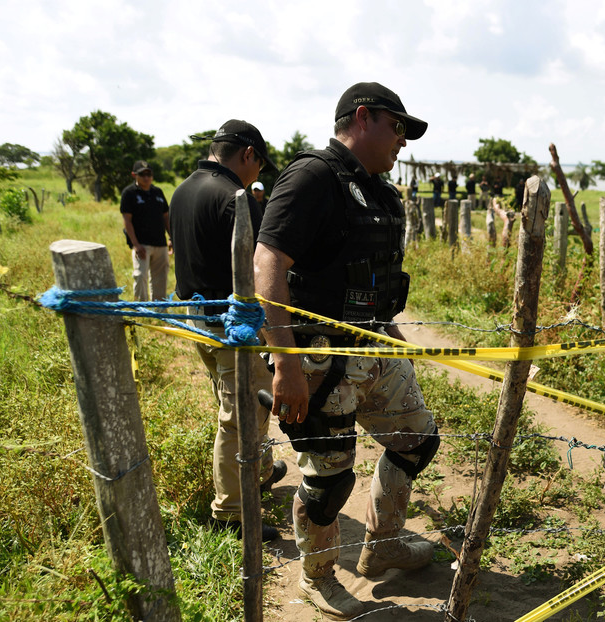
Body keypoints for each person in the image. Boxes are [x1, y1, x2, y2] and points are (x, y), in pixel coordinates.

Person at [254, 82, 436, 620]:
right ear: (362, 117)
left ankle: (382, 544)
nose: (403, 142)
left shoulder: (380, 191)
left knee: (416, 441)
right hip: (315, 359)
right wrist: (284, 362)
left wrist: (392, 337)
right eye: (397, 127)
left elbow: (375, 278)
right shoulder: (312, 176)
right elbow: (268, 264)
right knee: (329, 478)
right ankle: (317, 578)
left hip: (374, 349)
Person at [170, 120, 286, 542]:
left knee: (238, 404)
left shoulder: (183, 190)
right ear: (248, 154)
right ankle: (234, 513)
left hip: (197, 317)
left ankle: (261, 472)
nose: (258, 175)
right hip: (231, 327)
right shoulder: (236, 198)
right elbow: (259, 269)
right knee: (240, 417)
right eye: (260, 164)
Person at [120, 161, 171, 301]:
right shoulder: (129, 193)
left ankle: (160, 308)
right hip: (141, 244)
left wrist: (171, 237)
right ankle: (141, 308)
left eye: (149, 174)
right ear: (134, 175)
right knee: (140, 275)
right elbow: (127, 221)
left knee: (161, 276)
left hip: (160, 243)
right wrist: (135, 244)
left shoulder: (158, 192)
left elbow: (166, 217)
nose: (146, 177)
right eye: (142, 174)